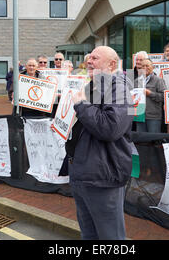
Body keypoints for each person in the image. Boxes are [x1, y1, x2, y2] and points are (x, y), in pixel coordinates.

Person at [69, 46, 133, 240]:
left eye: (95, 58)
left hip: (102, 177)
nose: (89, 61)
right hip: (83, 174)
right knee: (89, 235)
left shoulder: (120, 88)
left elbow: (110, 128)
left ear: (112, 64)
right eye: (89, 57)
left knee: (109, 236)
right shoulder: (92, 87)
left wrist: (81, 105)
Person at [135, 59, 166, 133]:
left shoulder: (158, 80)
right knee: (141, 140)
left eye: (147, 66)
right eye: (143, 66)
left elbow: (164, 97)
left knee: (153, 140)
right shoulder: (136, 81)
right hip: (139, 115)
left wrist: (150, 93)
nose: (145, 68)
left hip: (153, 117)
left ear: (153, 67)